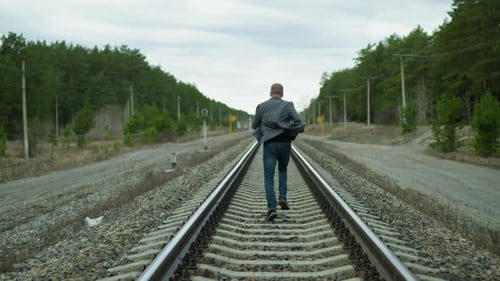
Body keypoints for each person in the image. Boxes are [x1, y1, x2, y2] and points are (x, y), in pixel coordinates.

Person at [252, 83, 305, 221]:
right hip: (285, 144)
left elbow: (254, 125)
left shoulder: (262, 106)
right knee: (282, 170)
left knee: (268, 177)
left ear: (270, 93)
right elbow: (298, 121)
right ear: (282, 93)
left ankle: (272, 208)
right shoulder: (288, 105)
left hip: (269, 145)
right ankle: (282, 197)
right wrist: (287, 129)